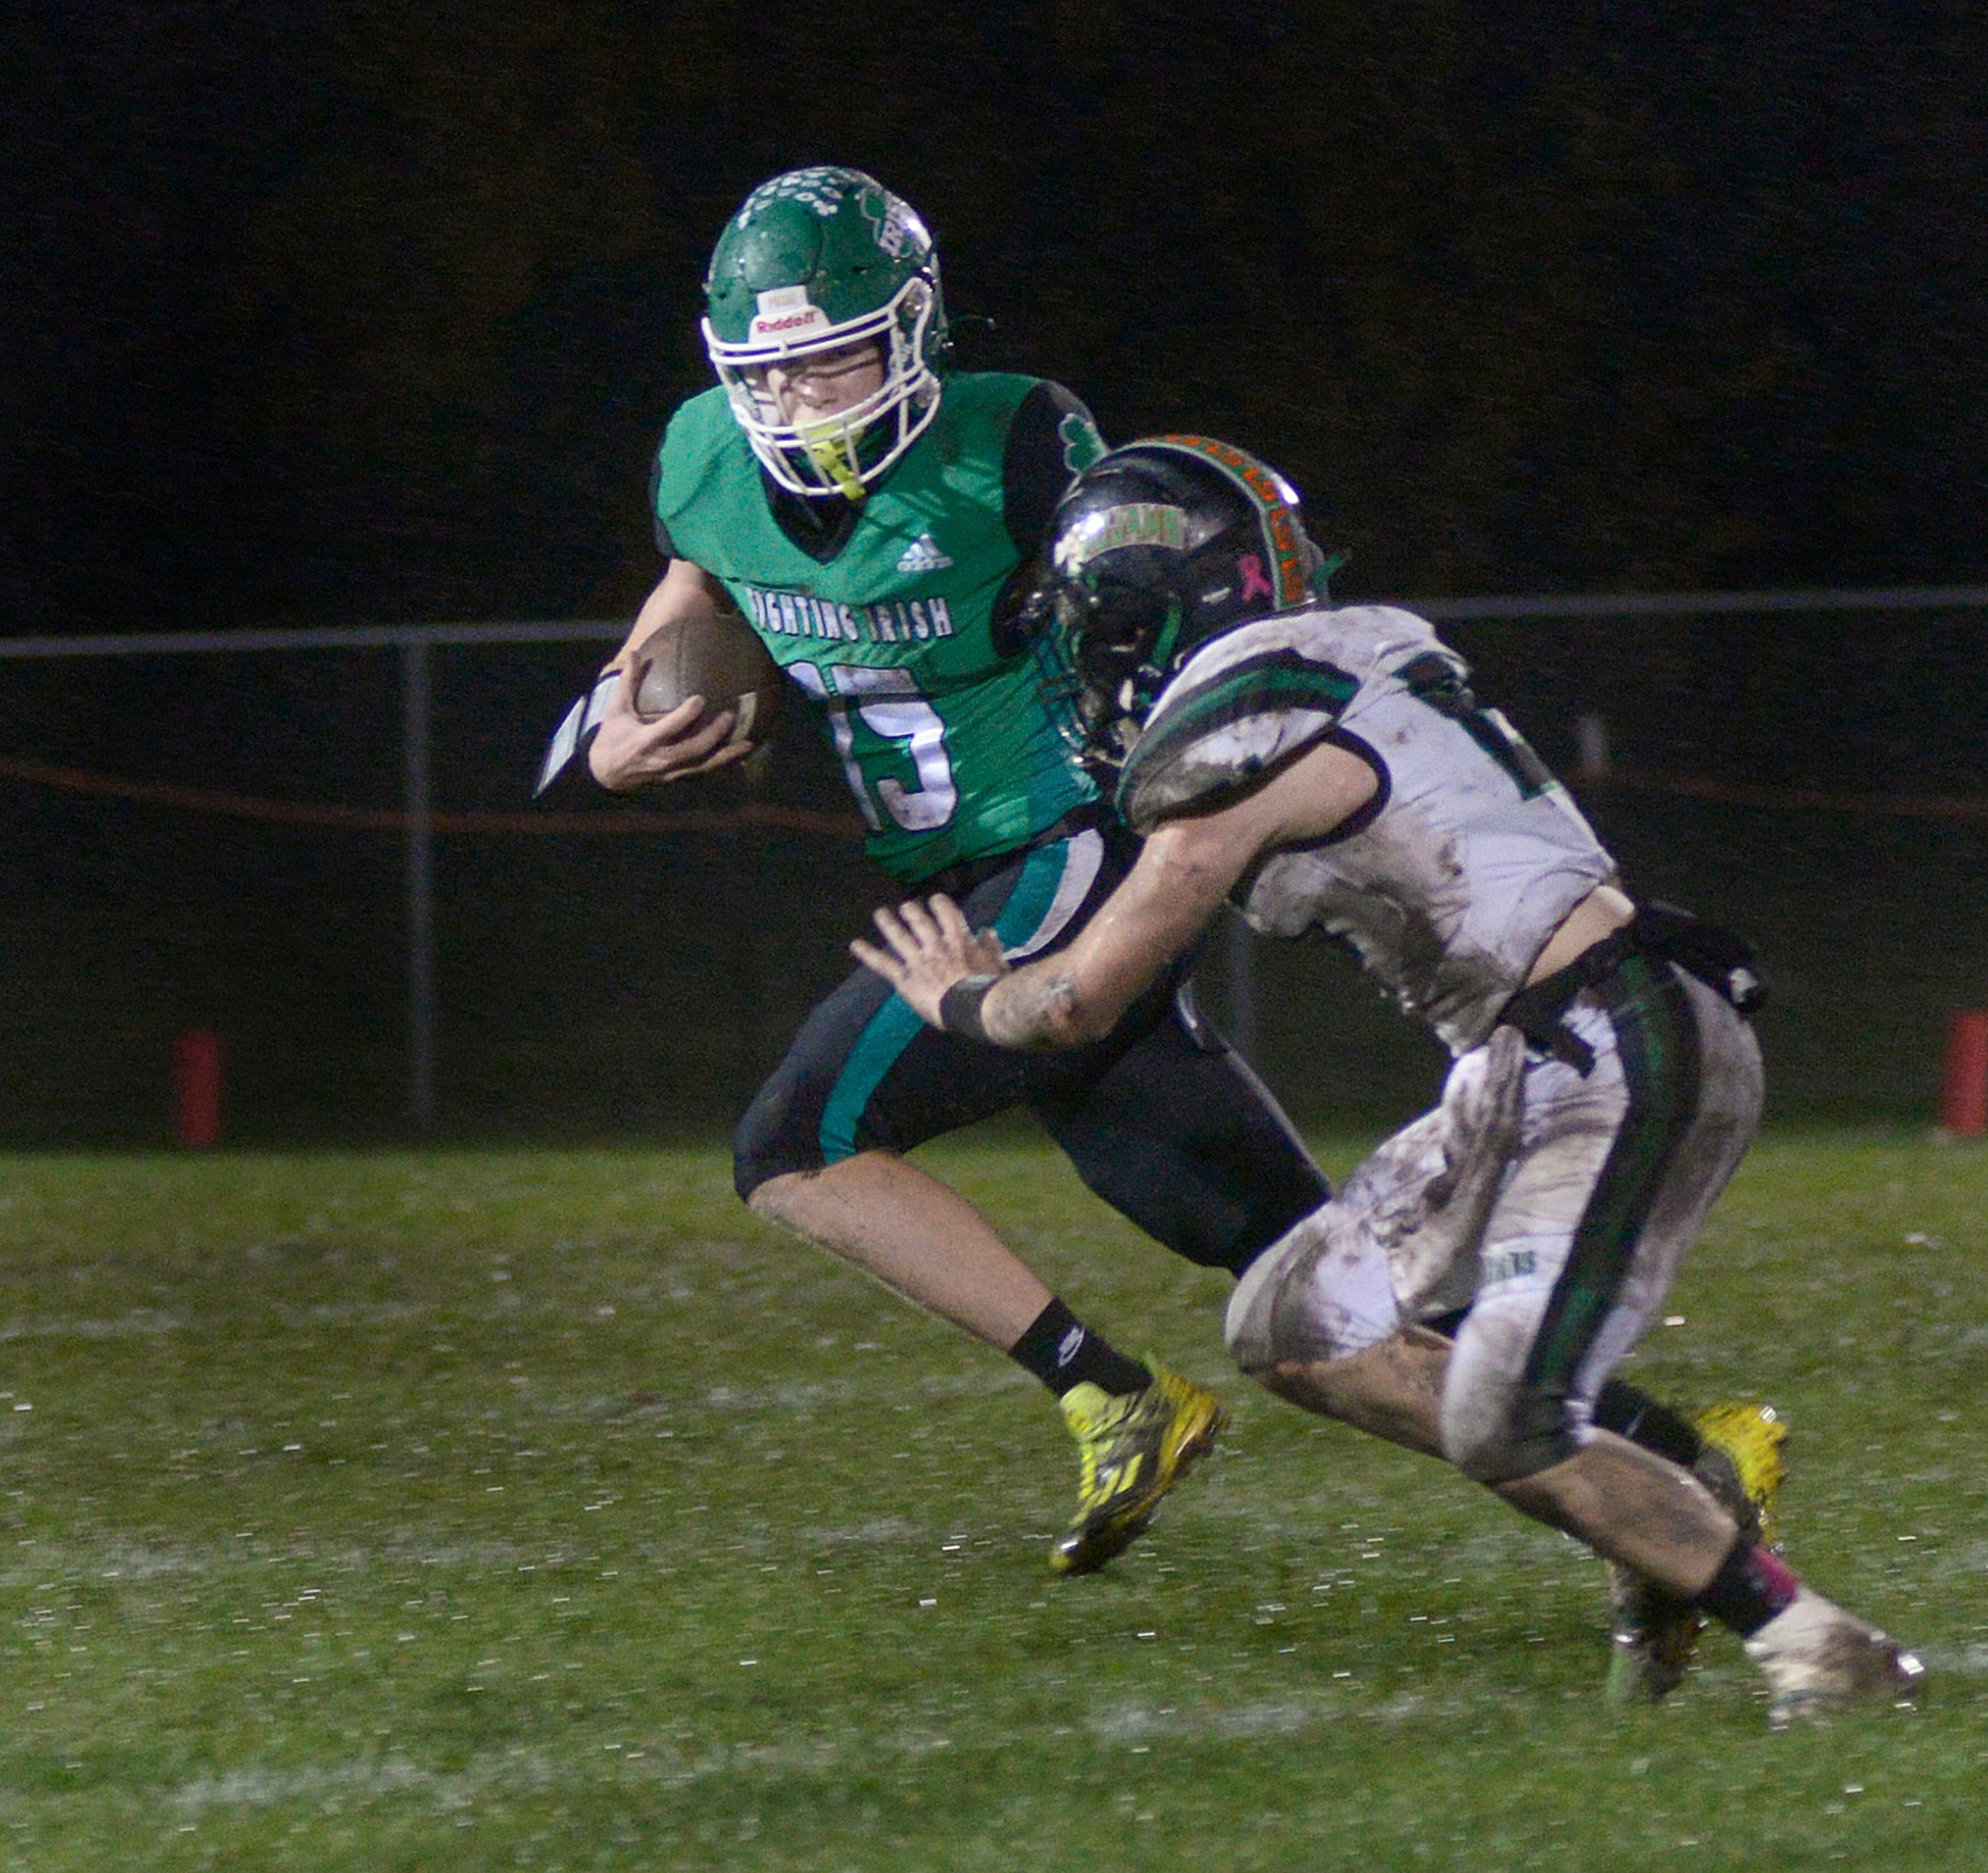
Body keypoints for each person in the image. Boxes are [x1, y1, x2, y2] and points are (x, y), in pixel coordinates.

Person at [853, 433, 1923, 1722]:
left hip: (1617, 1041)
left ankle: (1815, 1639)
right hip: (1527, 1060)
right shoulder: (1355, 664)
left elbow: (1079, 998)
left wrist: (960, 994)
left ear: (1147, 617)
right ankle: (1665, 1535)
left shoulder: (1242, 720)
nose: (1091, 668)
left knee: (1502, 1412)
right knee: (1292, 1321)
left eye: (1096, 633)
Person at [570, 166, 1334, 1575]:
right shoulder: (700, 457)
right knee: (1283, 1251)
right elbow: (691, 596)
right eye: (771, 370)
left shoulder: (1016, 441)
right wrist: (613, 723)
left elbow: (1147, 589)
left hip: (1067, 842)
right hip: (962, 869)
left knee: (797, 1140)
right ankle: (1657, 1447)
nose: (803, 398)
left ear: (916, 329)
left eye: (838, 356)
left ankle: (1109, 1391)